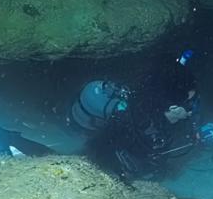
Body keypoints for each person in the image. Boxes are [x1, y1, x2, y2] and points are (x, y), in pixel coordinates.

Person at [70, 50, 200, 177]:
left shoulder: (151, 90)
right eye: (186, 102)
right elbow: (102, 145)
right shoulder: (136, 118)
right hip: (121, 132)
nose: (189, 108)